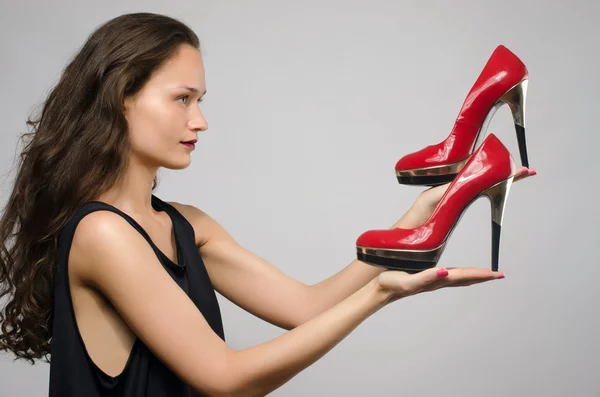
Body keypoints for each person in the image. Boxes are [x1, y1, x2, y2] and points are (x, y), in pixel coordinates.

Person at [0, 12, 535, 397]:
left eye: (201, 101)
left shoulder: (188, 226)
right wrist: (379, 294)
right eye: (182, 99)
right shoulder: (102, 235)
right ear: (122, 97)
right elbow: (226, 379)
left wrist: (423, 212)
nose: (200, 121)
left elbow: (303, 307)